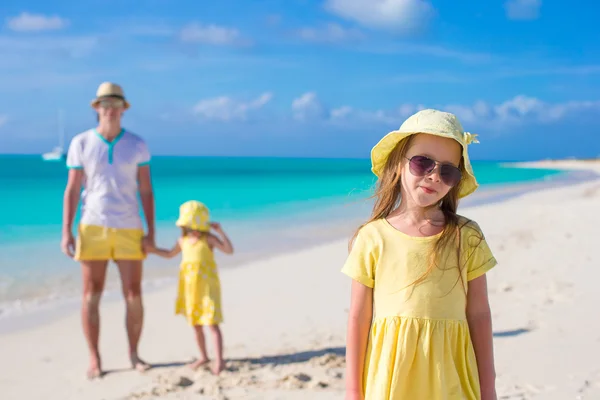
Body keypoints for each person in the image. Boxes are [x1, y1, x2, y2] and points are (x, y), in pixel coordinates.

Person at [342, 109, 498, 400]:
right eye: (422, 162)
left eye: (447, 170)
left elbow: (479, 314)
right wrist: (354, 392)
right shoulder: (373, 237)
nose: (433, 176)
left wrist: (488, 389)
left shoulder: (467, 236)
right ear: (399, 164)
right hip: (392, 376)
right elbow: (359, 318)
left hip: (449, 374)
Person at [61, 82, 155, 379]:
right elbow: (73, 189)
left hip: (129, 227)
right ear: (97, 109)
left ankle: (134, 354)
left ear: (123, 110)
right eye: (105, 104)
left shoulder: (137, 144)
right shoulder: (82, 142)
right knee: (91, 294)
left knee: (133, 294)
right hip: (93, 225)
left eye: (115, 105)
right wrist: (67, 231)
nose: (110, 110)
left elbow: (146, 189)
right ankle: (94, 358)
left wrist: (151, 231)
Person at [148, 200, 234, 375]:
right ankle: (203, 356)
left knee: (212, 324)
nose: (191, 228)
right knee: (195, 324)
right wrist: (152, 250)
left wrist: (220, 231)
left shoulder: (208, 239)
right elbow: (169, 254)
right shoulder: (183, 240)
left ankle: (219, 360)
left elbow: (229, 250)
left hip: (208, 288)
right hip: (190, 288)